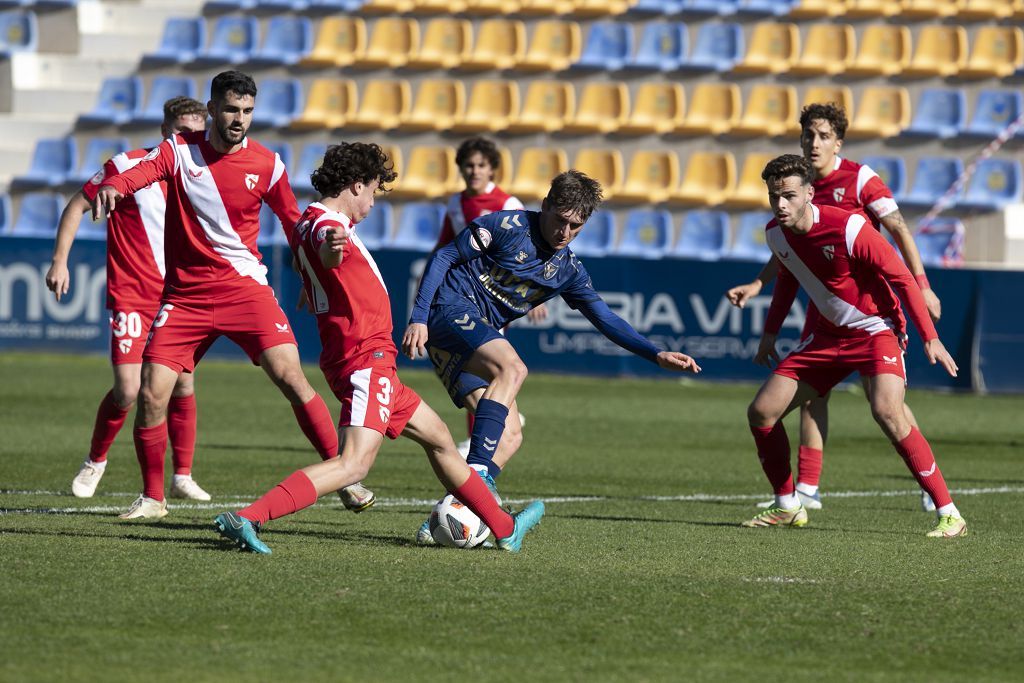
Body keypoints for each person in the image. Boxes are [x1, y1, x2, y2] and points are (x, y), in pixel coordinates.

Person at [212, 141, 544, 554]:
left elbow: (309, 269)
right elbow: (326, 247)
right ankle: (249, 517)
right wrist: (331, 251)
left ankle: (503, 527)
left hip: (366, 359)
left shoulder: (303, 222)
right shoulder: (325, 225)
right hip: (365, 358)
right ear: (354, 186)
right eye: (372, 191)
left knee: (440, 438)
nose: (371, 203)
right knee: (354, 464)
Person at [89, 70, 368, 519]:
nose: (240, 119)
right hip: (185, 298)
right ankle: (153, 499)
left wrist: (314, 261)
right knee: (151, 393)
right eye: (232, 110)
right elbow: (139, 174)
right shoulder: (179, 153)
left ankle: (346, 477)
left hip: (245, 291)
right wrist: (111, 187)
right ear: (213, 109)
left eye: (248, 111)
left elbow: (294, 224)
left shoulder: (268, 164)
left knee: (292, 378)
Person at [403, 170, 702, 542]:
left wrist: (655, 354)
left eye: (576, 226)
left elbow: (604, 317)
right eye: (560, 220)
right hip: (448, 311)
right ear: (544, 206)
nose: (565, 232)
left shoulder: (568, 270)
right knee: (512, 367)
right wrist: (419, 318)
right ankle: (478, 473)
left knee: (511, 435)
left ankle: (450, 517)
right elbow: (445, 255)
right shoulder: (507, 226)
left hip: (468, 341)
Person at [725, 103, 942, 512]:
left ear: (837, 142)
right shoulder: (793, 186)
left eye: (823, 135)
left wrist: (923, 285)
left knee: (885, 403)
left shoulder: (859, 179)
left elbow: (897, 229)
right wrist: (758, 283)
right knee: (811, 394)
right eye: (808, 134)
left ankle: (928, 481)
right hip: (824, 305)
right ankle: (806, 489)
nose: (814, 142)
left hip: (868, 307)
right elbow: (788, 252)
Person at [743, 154, 966, 538]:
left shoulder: (850, 227)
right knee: (762, 412)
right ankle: (787, 506)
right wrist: (769, 334)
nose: (780, 204)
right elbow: (787, 280)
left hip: (876, 329)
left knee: (887, 411)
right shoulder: (775, 234)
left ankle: (949, 513)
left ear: (810, 193)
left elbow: (902, 279)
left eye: (790, 196)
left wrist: (930, 337)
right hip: (827, 337)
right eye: (773, 196)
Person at [46, 96, 211, 501]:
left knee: (184, 386)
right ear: (164, 131)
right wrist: (59, 261)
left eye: (195, 134)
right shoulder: (126, 167)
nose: (187, 140)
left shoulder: (205, 175)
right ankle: (95, 461)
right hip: (134, 295)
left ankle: (183, 475)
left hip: (179, 296)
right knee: (128, 390)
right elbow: (76, 206)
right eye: (180, 133)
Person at [433, 136, 545, 456]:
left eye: (481, 165)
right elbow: (443, 246)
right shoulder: (456, 204)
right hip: (460, 293)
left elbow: (530, 250)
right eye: (468, 165)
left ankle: (482, 433)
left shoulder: (508, 204)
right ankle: (503, 417)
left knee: (482, 366)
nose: (474, 171)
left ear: (492, 169)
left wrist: (533, 295)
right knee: (472, 364)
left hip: (494, 296)